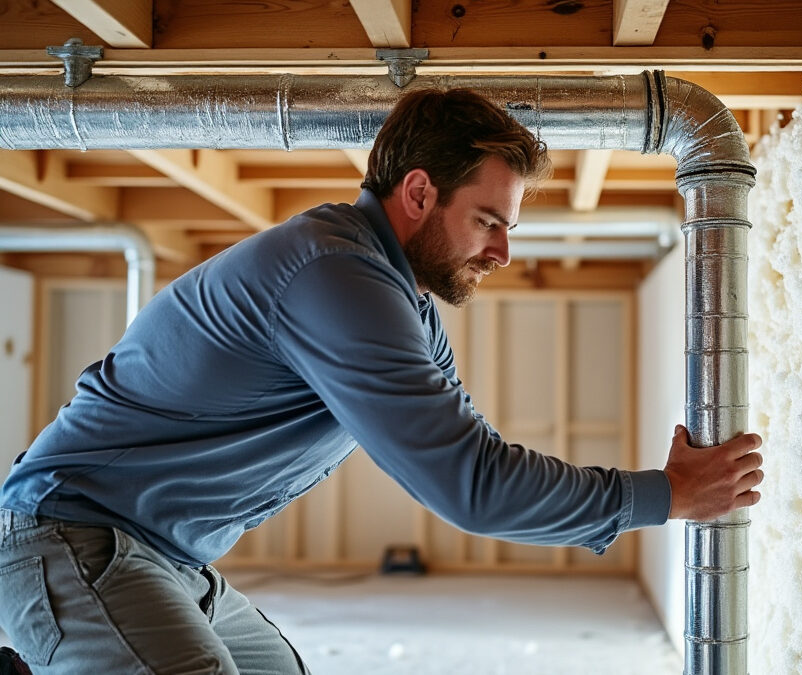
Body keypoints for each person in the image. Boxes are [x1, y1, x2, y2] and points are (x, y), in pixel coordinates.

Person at [0, 88, 763, 674]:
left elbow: (474, 454)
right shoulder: (335, 275)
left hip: (161, 555)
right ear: (421, 192)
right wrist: (665, 494)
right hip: (71, 535)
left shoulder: (402, 302)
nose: (501, 252)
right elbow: (471, 485)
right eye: (488, 221)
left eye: (509, 229)